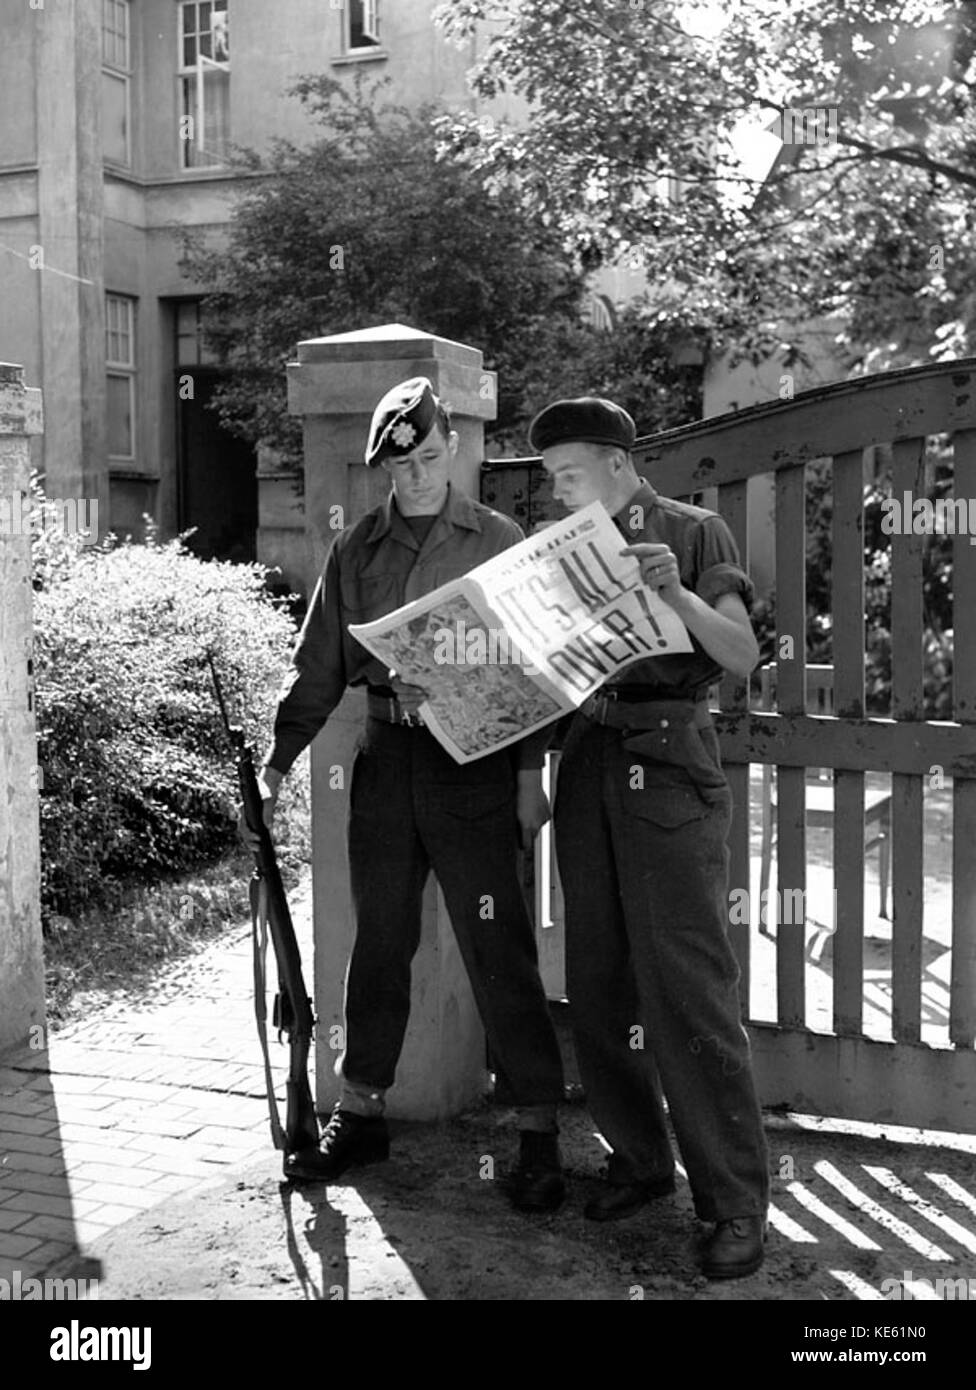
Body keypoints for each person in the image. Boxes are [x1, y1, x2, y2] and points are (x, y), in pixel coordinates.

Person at [247, 377, 566, 1211]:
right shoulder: (357, 550)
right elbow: (319, 668)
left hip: (478, 770)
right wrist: (277, 764)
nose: (420, 475)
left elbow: (534, 669)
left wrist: (531, 776)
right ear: (383, 465)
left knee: (499, 948)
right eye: (404, 463)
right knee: (378, 943)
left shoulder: (499, 540)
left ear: (453, 447)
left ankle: (538, 1130)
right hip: (387, 761)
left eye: (431, 457)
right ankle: (362, 1115)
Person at [527, 395, 770, 1278]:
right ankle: (639, 1162)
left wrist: (669, 591)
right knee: (597, 977)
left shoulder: (698, 534)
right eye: (550, 481)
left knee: (686, 989)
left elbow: (739, 656)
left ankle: (735, 1206)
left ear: (620, 465)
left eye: (568, 476)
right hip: (590, 754)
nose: (557, 495)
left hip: (669, 760)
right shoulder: (558, 553)